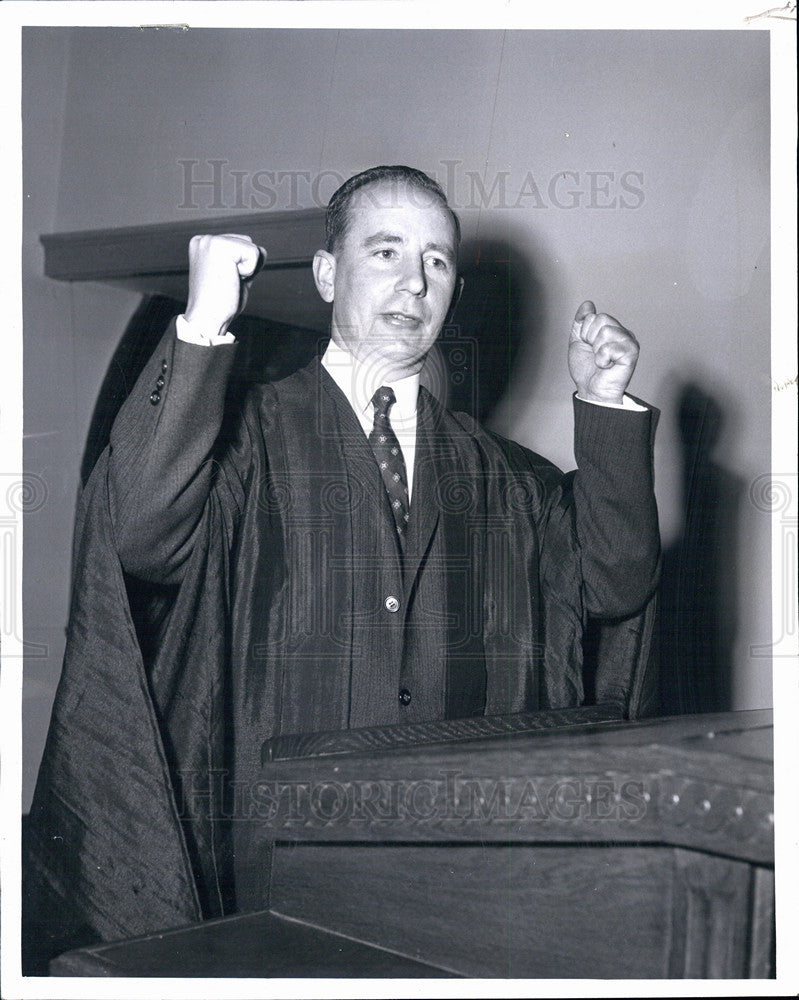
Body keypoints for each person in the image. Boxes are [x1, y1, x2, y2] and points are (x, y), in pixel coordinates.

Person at [26, 165, 659, 953]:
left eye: (436, 261)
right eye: (386, 252)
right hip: (263, 862)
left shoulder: (506, 478)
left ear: (453, 293)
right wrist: (203, 322)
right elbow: (139, 532)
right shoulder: (241, 440)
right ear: (327, 274)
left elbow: (613, 580)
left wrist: (602, 404)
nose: (414, 282)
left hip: (450, 871)